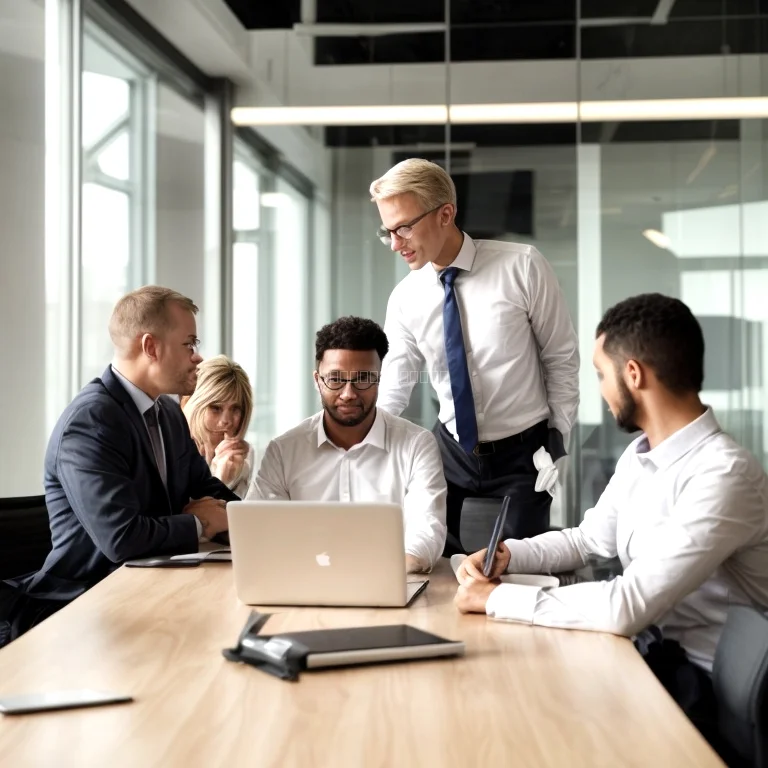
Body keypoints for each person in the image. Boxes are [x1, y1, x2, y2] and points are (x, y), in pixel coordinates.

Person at [454, 293, 768, 741]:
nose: (600, 390)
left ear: (633, 374)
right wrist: (507, 556)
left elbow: (627, 605)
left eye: (602, 374)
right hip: (647, 658)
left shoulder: (724, 473)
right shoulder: (643, 454)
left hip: (702, 694)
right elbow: (588, 540)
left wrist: (495, 600)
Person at [0, 286, 238, 646]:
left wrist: (257, 524)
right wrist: (203, 522)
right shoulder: (92, 421)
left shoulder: (169, 413)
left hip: (152, 592)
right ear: (151, 347)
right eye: (189, 344)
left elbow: (208, 489)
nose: (198, 357)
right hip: (83, 606)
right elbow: (122, 538)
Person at [370, 158, 579, 553]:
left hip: (523, 455)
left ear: (445, 213)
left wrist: (558, 440)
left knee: (516, 572)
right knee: (431, 565)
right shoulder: (406, 297)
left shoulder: (523, 266)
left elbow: (561, 359)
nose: (395, 244)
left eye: (404, 228)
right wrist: (363, 444)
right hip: (449, 452)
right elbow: (395, 386)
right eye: (388, 232)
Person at [247, 316, 447, 573]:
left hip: (392, 583)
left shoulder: (416, 445)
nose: (349, 393)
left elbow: (427, 529)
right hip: (304, 584)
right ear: (318, 381)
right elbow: (261, 529)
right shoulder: (284, 451)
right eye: (336, 379)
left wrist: (392, 571)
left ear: (379, 380)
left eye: (363, 378)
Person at [182, 355, 254, 498]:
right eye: (216, 408)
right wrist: (221, 480)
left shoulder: (243, 458)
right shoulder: (171, 451)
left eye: (235, 409)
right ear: (195, 406)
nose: (226, 421)